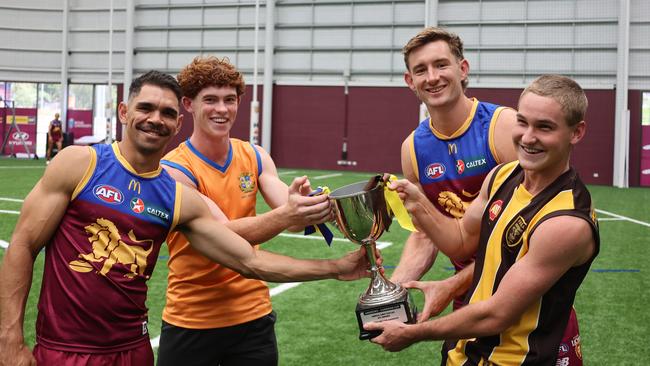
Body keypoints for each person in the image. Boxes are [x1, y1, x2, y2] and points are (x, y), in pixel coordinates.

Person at [0, 70, 369, 366]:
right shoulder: (81, 163)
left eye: (166, 113)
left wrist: (335, 266)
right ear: (124, 112)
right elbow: (23, 244)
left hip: (134, 348)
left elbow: (249, 260)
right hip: (65, 348)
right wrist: (9, 338)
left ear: (178, 123)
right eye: (145, 108)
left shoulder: (178, 199)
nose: (155, 119)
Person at [367, 74, 599, 366]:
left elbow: (496, 315)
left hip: (518, 359)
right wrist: (418, 204)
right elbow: (462, 242)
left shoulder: (566, 222)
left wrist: (413, 332)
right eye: (523, 122)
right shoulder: (502, 176)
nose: (527, 137)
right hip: (464, 352)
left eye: (545, 127)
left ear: (576, 133)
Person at [156, 56, 334, 366]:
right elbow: (222, 234)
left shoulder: (254, 154)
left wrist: (307, 205)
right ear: (189, 103)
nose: (221, 109)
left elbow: (288, 216)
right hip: (192, 318)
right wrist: (289, 214)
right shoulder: (174, 169)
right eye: (210, 100)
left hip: (253, 317)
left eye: (229, 100)